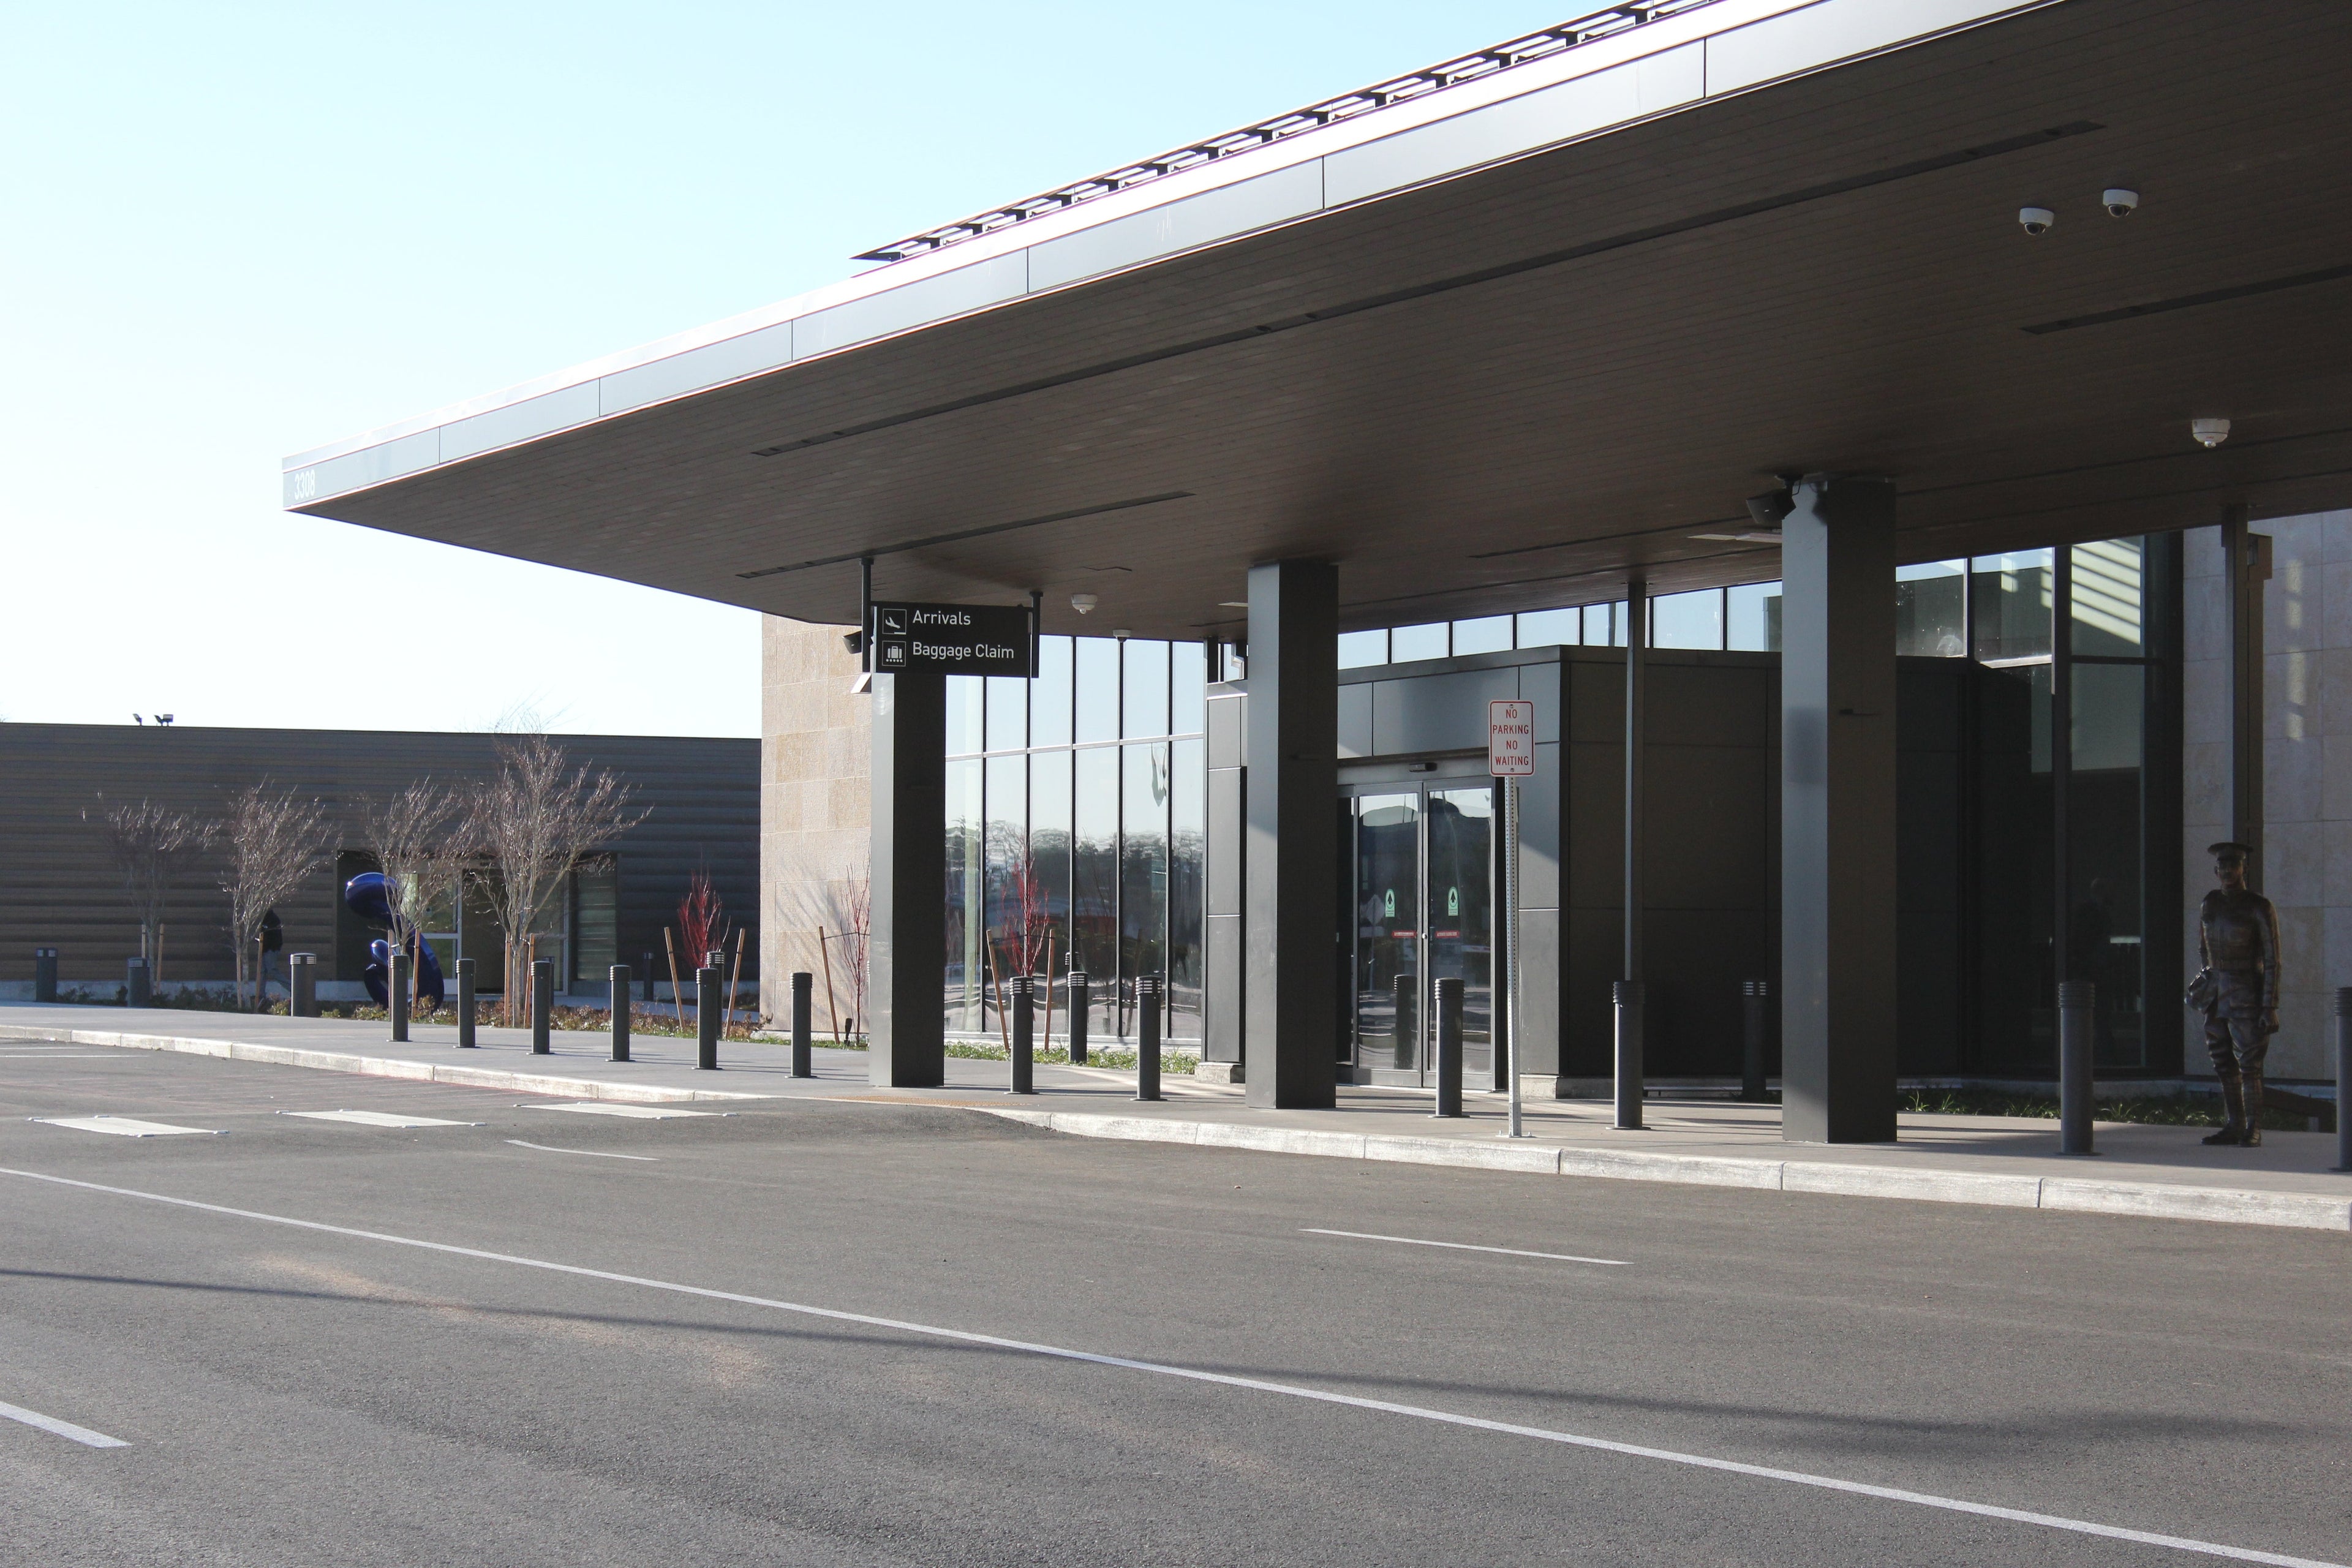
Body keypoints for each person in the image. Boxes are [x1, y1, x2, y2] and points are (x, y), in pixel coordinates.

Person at [2189, 842, 2278, 1148]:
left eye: (2233, 866)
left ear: (2244, 869)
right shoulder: (2210, 903)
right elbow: (2204, 946)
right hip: (2216, 993)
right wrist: (2206, 977)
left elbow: (2272, 959)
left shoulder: (2258, 906)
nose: (2227, 871)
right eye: (2222, 867)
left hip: (2246, 992)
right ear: (2216, 872)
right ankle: (2233, 1124)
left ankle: (2253, 1127)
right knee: (2222, 1060)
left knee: (2250, 1062)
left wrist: (2270, 1005)